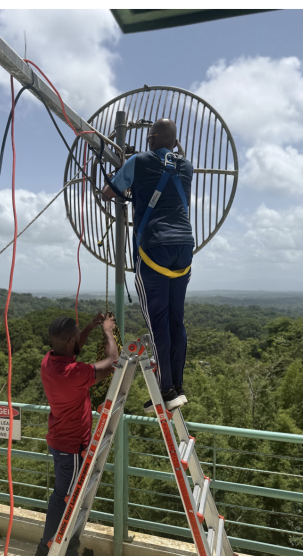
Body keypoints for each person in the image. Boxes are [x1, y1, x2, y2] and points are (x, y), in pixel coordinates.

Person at [101, 118, 194, 413]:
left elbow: (109, 192)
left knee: (158, 323)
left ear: (152, 138)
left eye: (149, 138)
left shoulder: (139, 161)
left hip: (153, 248)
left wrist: (126, 166)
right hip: (184, 249)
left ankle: (166, 390)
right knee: (175, 319)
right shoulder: (187, 166)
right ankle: (177, 386)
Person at [33, 312, 119, 556]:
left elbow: (75, 346)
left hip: (61, 440)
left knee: (64, 495)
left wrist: (91, 327)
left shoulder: (50, 361)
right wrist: (107, 331)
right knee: (64, 497)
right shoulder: (73, 372)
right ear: (69, 339)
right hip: (71, 447)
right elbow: (113, 361)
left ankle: (58, 546)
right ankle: (46, 551)